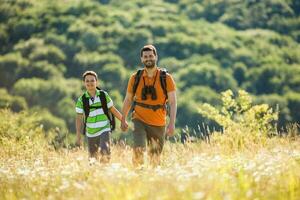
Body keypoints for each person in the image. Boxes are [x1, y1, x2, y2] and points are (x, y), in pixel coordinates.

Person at [121, 44, 177, 167]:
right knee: (138, 150)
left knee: (155, 157)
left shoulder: (166, 78)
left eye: (151, 56)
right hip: (139, 119)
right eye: (145, 57)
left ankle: (152, 181)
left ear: (156, 57)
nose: (148, 59)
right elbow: (128, 99)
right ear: (141, 59)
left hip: (158, 121)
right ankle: (138, 176)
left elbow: (173, 102)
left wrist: (172, 123)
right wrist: (123, 119)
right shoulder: (135, 78)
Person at [75, 70, 124, 163]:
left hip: (104, 129)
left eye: (92, 80)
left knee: (105, 152)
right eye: (87, 81)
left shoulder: (103, 95)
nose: (90, 83)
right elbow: (79, 118)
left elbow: (112, 109)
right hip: (91, 132)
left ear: (96, 82)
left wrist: (123, 120)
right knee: (92, 159)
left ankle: (105, 172)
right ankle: (95, 175)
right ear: (84, 83)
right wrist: (78, 135)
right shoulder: (81, 100)